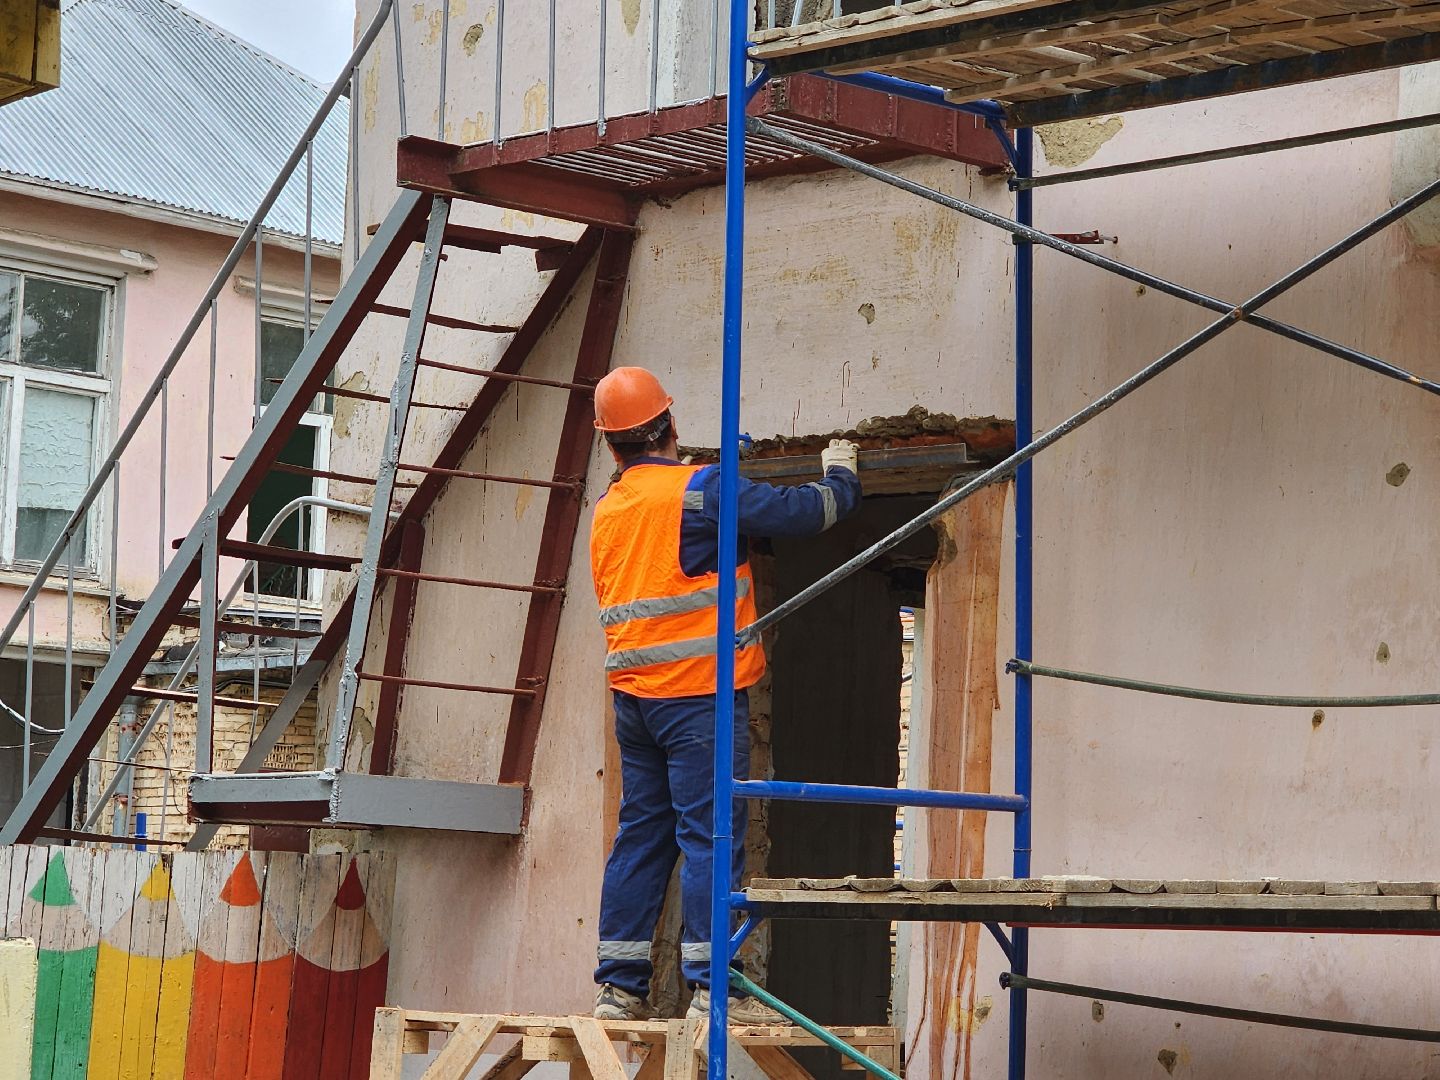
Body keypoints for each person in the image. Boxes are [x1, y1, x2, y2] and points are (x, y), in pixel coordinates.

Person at [589, 366, 862, 1023]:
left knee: (643, 838)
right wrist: (843, 477)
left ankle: (619, 988)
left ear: (611, 445)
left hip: (636, 703)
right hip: (698, 699)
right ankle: (715, 989)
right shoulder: (700, 492)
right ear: (671, 427)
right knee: (711, 836)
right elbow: (805, 513)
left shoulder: (612, 508)